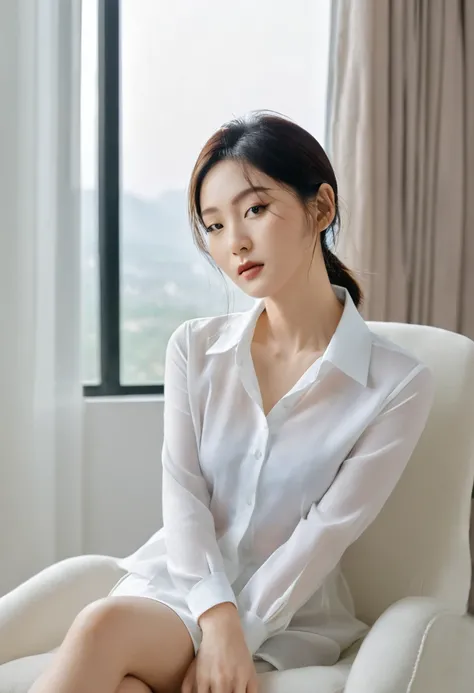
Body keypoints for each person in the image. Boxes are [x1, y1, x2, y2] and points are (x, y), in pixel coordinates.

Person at [28, 111, 434, 693]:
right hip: (176, 590)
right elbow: (184, 494)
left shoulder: (398, 383)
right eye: (213, 226)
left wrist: (237, 632)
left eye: (255, 210)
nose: (234, 242)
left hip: (285, 613)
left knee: (103, 629)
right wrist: (215, 616)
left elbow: (325, 533)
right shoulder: (194, 348)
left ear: (320, 208)